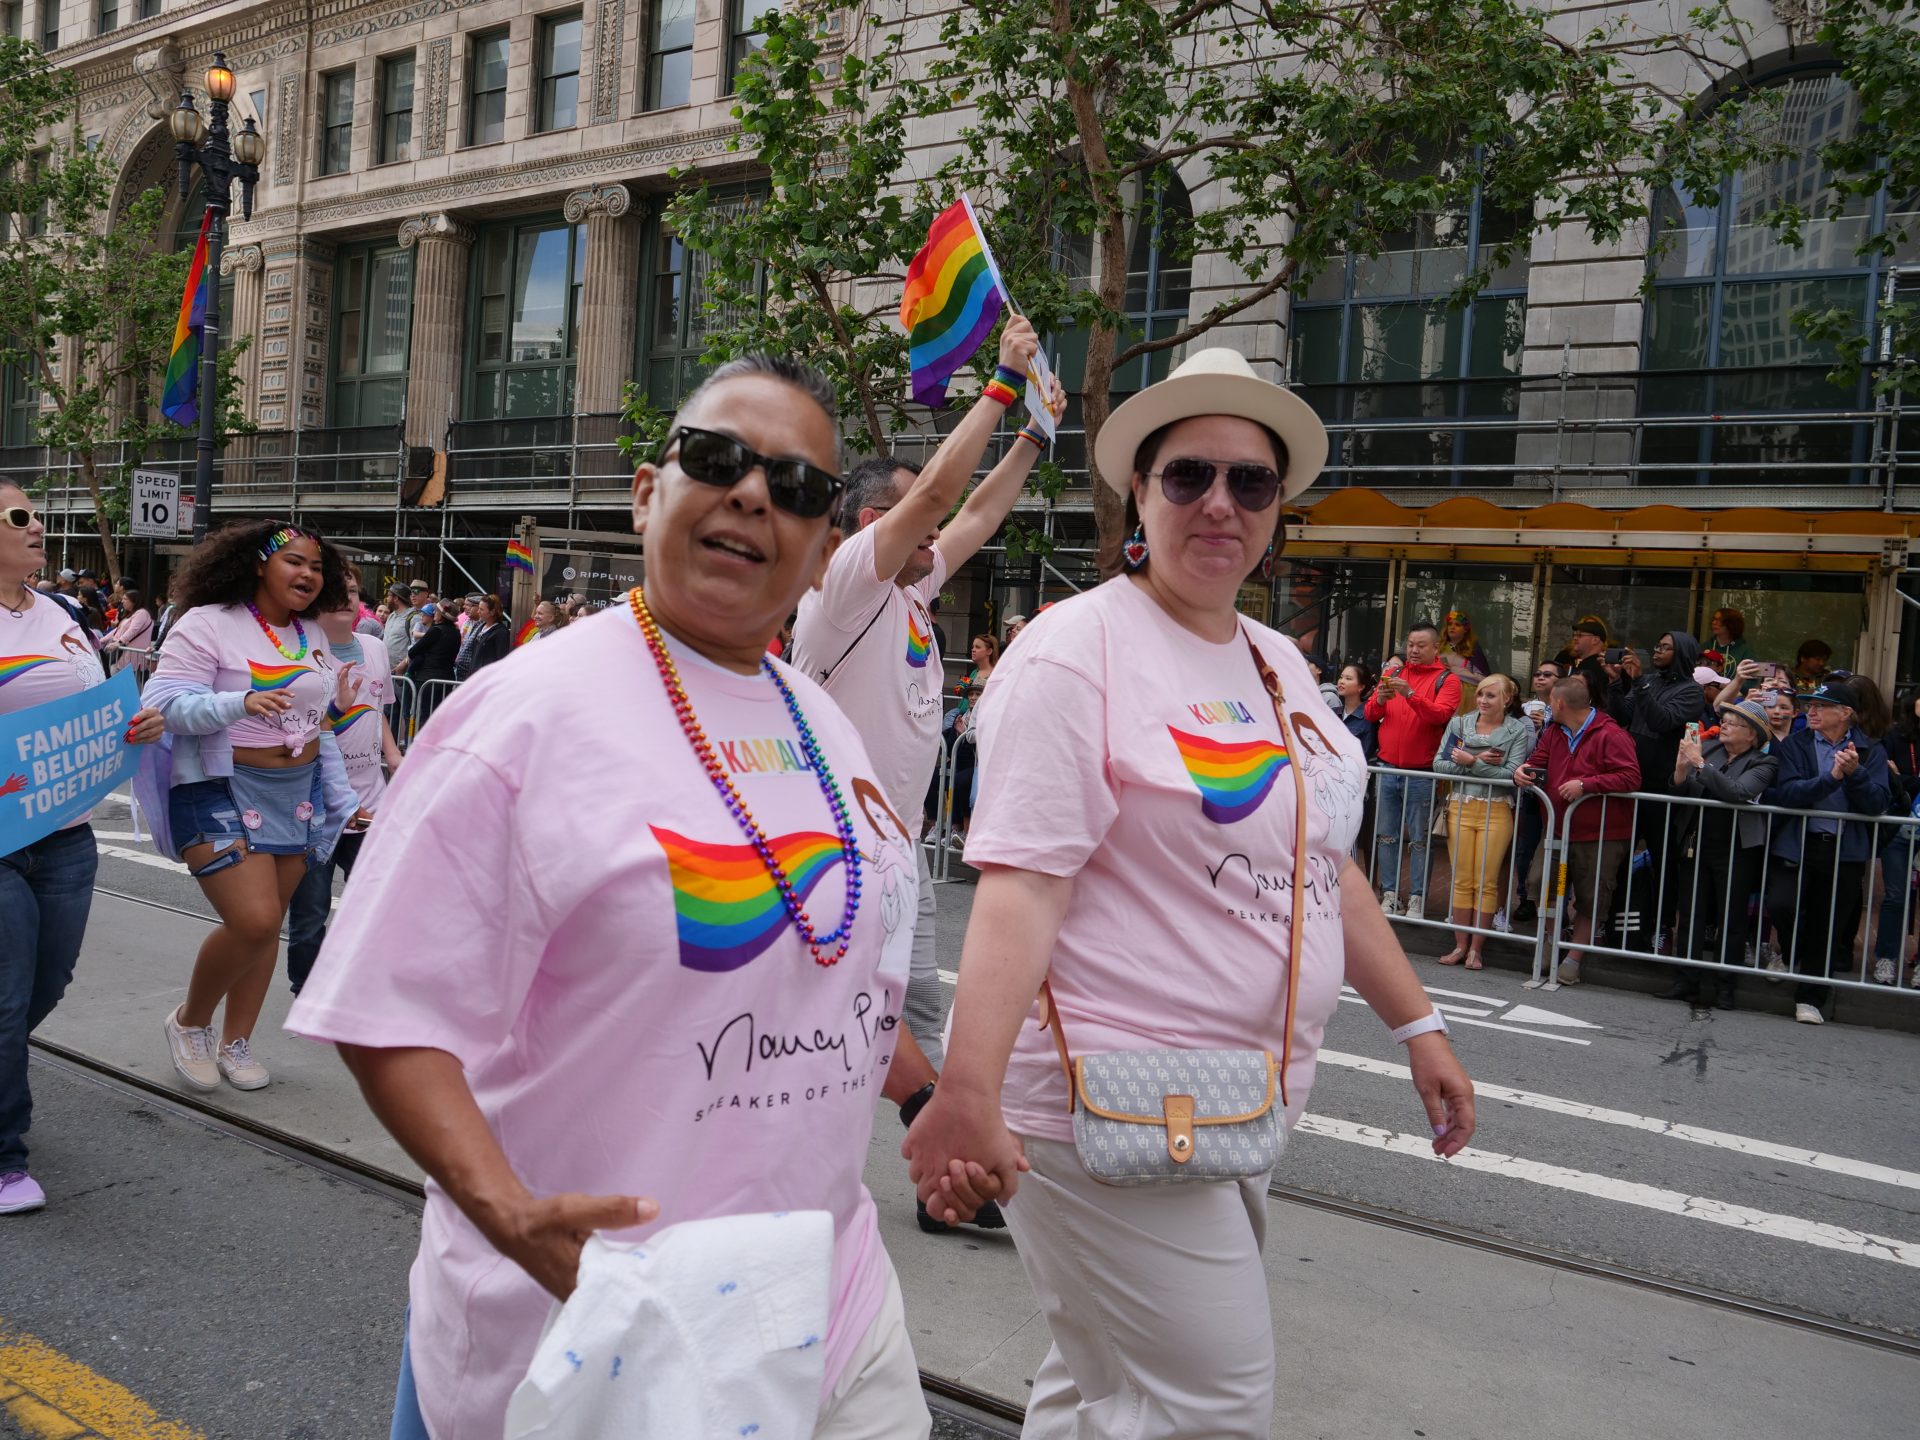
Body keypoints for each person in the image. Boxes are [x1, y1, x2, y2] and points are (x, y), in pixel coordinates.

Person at [287, 354, 975, 1440]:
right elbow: (386, 1010)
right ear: (649, 491)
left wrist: (930, 1099)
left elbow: (826, 961)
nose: (754, 493)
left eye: (797, 487)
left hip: (832, 1309)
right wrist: (506, 1214)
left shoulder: (822, 721)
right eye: (718, 459)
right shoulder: (519, 719)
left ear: (822, 542)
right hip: (597, 1328)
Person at [901, 346, 1475, 1440]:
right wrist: (962, 1092)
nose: (1221, 503)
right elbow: (1021, 884)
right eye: (1189, 477)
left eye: (1250, 482)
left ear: (1276, 507)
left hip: (1238, 1096)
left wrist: (1420, 1022)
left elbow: (1322, 860)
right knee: (1212, 1403)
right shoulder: (1078, 650)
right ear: (1140, 494)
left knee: (1102, 1392)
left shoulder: (1279, 663)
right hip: (1106, 1098)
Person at [790, 314, 1055, 1098]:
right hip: (832, 848)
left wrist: (1035, 437)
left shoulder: (913, 587)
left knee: (919, 1011)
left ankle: (933, 1171)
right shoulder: (847, 583)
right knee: (839, 1019)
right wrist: (1003, 384)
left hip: (901, 847)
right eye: (918, 521)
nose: (935, 529)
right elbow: (944, 488)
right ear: (877, 524)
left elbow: (975, 515)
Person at [134, 522, 368, 1094]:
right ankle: (191, 1021)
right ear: (259, 565)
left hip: (299, 793)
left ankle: (237, 1042)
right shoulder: (208, 622)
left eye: (316, 567)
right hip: (220, 784)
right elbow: (162, 703)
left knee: (267, 930)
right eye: (293, 562)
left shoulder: (310, 632)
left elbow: (316, 724)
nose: (307, 575)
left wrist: (343, 796)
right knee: (255, 918)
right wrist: (239, 701)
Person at [0, 486, 165, 1214]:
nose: (37, 525)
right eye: (18, 517)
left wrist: (133, 727)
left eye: (36, 514)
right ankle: (7, 1159)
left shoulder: (61, 615)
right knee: (6, 1001)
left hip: (68, 839)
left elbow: (93, 712)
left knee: (47, 985)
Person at [285, 567, 403, 995]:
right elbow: (302, 729)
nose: (346, 598)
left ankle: (364, 982)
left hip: (371, 801)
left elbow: (379, 707)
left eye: (352, 590)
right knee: (311, 910)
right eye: (336, 590)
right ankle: (307, 989)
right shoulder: (302, 657)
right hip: (318, 806)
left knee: (378, 899)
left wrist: (392, 754)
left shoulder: (374, 647)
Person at [1761, 681, 1890, 1023]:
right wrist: (1832, 778)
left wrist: (1855, 774)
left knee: (1826, 922)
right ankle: (1792, 952)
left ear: (1846, 713)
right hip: (1796, 843)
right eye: (1809, 705)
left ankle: (1811, 998)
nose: (1811, 711)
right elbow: (1786, 793)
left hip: (1843, 851)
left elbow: (1877, 802)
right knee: (1782, 905)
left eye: (1821, 705)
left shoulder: (1871, 749)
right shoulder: (1796, 745)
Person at [1513, 676, 1642, 985]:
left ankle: (1573, 959)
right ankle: (1550, 945)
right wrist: (1522, 772)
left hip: (1600, 834)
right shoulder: (1554, 732)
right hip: (1557, 828)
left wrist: (1587, 785)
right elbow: (1537, 763)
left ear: (1559, 704)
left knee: (1591, 896)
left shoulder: (1611, 734)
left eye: (1550, 702)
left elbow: (1631, 777)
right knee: (1544, 885)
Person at [1662, 698, 1779, 1011]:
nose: (1724, 725)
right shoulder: (1709, 748)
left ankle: (1726, 987)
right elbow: (1678, 791)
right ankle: (1685, 980)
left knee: (1731, 919)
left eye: (1733, 722)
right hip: (1696, 841)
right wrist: (1680, 768)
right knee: (1690, 914)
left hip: (1735, 848)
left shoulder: (1763, 763)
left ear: (1752, 735)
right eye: (1724, 719)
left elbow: (1738, 793)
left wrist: (1699, 764)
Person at [1606, 631, 1704, 952]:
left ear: (1682, 654)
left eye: (1665, 647)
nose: (1657, 651)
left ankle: (1662, 928)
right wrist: (1618, 682)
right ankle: (1612, 922)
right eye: (1657, 645)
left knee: (1664, 861)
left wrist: (1640, 684)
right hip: (1633, 782)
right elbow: (1622, 715)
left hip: (1662, 787)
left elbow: (1662, 722)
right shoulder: (1649, 681)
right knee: (1619, 856)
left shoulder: (1691, 692)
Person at [1431, 674, 1533, 968]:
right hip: (1460, 805)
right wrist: (1475, 765)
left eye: (1491, 695)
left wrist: (1470, 762)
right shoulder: (1459, 723)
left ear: (1507, 699)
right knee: (1462, 879)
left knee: (1487, 882)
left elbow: (1511, 775)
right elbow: (1440, 764)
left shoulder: (1516, 730)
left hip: (1497, 809)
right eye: (1480, 695)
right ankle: (1460, 946)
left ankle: (1477, 948)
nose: (1483, 701)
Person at [1364, 620, 1462, 918]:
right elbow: (1369, 713)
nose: (1414, 650)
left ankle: (1417, 898)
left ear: (1436, 648)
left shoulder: (1448, 680)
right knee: (1386, 835)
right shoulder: (1393, 673)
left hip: (1422, 772)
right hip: (1387, 767)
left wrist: (1410, 694)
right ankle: (1390, 894)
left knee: (1420, 838)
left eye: (1421, 646)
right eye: (1410, 644)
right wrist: (1379, 700)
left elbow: (1440, 715)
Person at [1876, 686, 1920, 988]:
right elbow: (1888, 778)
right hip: (1901, 823)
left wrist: (1907, 780)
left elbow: (1901, 777)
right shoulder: (1894, 737)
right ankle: (1886, 958)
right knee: (1895, 895)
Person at [944, 633, 998, 847]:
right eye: (972, 646)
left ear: (990, 650)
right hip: (967, 730)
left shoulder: (995, 676)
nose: (972, 650)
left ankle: (964, 830)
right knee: (942, 777)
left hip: (978, 746)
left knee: (964, 782)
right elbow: (967, 706)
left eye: (977, 647)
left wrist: (967, 727)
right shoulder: (975, 672)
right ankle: (948, 827)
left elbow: (978, 712)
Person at [406, 602, 460, 725]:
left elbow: (414, 650)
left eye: (437, 611)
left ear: (442, 615)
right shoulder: (456, 632)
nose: (434, 613)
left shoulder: (436, 631)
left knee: (424, 716)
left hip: (427, 679)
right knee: (439, 718)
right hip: (446, 679)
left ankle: (420, 743)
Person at [101, 586, 155, 684]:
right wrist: (101, 640)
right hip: (123, 654)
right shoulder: (130, 614)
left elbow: (133, 630)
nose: (122, 601)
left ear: (134, 601)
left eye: (125, 599)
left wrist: (119, 642)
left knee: (127, 683)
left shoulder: (142, 613)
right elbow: (117, 631)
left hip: (132, 655)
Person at [452, 593, 512, 680]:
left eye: (481, 609)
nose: (478, 611)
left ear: (492, 612)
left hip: (486, 679)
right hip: (473, 676)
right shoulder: (480, 627)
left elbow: (501, 659)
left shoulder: (500, 632)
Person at [1439, 609, 1491, 707]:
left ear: (1465, 629)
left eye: (1457, 625)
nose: (1452, 627)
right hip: (1440, 694)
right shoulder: (1440, 648)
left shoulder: (1472, 650)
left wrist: (1454, 670)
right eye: (1450, 624)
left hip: (1464, 700)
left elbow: (1484, 680)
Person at [1561, 617, 1611, 709]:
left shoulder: (1598, 666)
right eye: (1574, 635)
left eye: (1580, 635)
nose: (1575, 638)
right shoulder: (1591, 664)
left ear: (1595, 640)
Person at [1334, 661, 1377, 761]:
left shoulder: (1368, 718)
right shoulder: (1332, 713)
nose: (1342, 681)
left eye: (1348, 678)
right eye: (1341, 677)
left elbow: (1365, 754)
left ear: (1361, 687)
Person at [381, 582, 413, 675]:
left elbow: (417, 646)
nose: (387, 599)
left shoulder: (413, 617)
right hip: (385, 670)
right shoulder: (391, 616)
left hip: (400, 675)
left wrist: (403, 664)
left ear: (396, 598)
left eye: (389, 596)